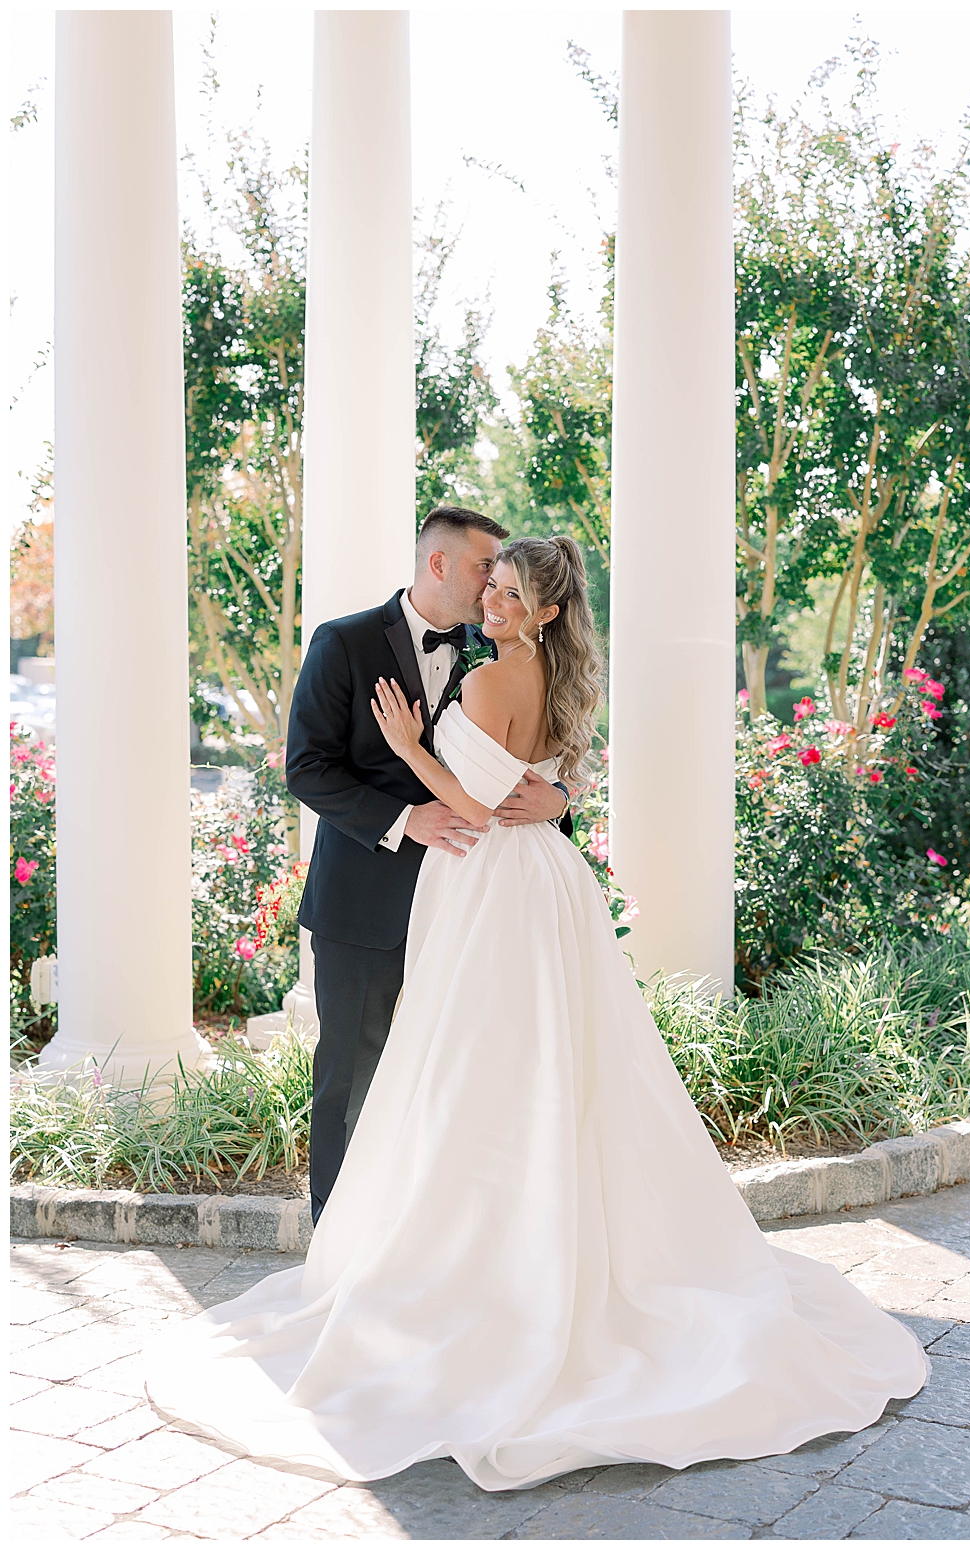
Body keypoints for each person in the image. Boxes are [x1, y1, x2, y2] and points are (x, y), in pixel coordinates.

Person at [146, 536, 928, 1492]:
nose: (494, 599)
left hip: (489, 885)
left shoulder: (485, 678)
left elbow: (473, 800)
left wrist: (406, 750)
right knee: (541, 1062)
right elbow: (527, 778)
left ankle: (481, 1275)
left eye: (512, 591)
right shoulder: (552, 675)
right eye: (492, 584)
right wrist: (543, 793)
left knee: (474, 1066)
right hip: (537, 886)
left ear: (546, 609)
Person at [284, 507, 569, 1224]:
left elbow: (532, 764)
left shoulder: (500, 648)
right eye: (485, 569)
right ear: (438, 564)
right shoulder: (343, 642)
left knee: (459, 1083)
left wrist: (558, 799)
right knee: (354, 1079)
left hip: (476, 905)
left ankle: (429, 1243)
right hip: (367, 906)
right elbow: (307, 769)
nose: (494, 587)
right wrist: (403, 819)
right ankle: (340, 1248)